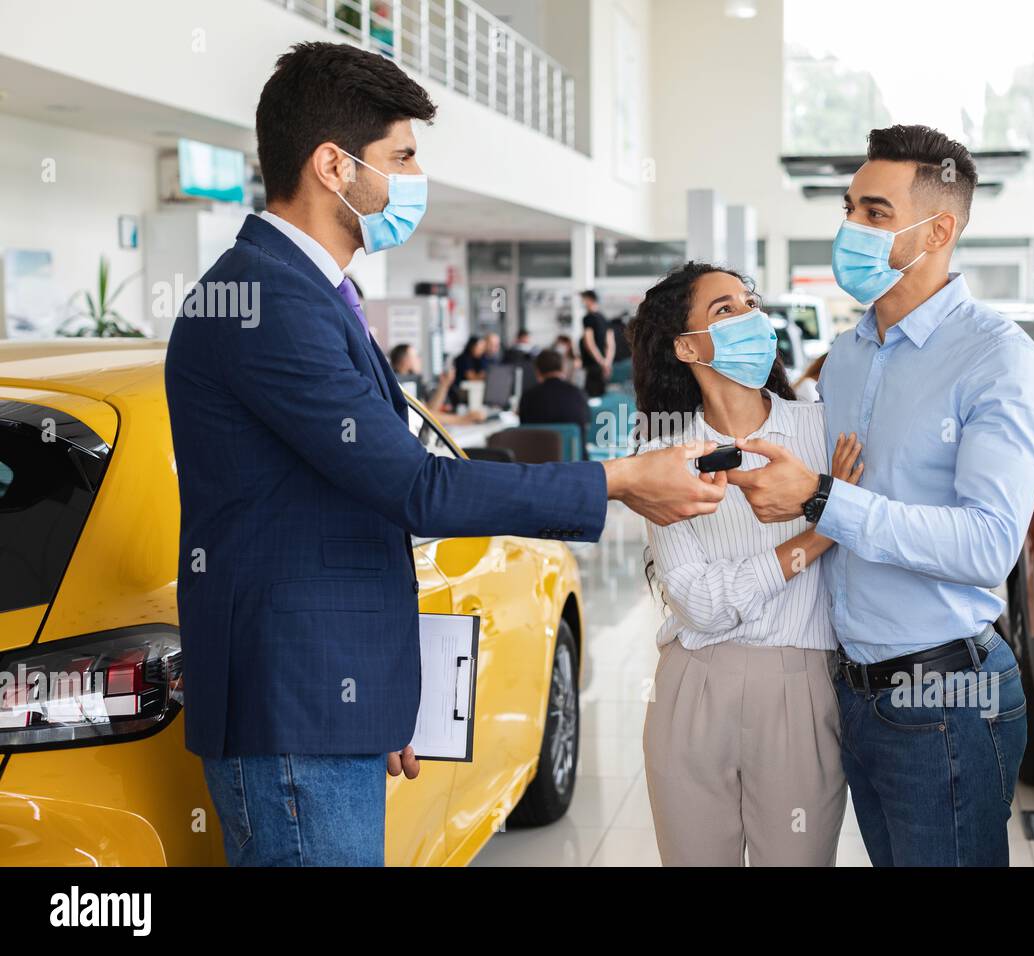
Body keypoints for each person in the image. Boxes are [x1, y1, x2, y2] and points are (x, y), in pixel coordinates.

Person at [164, 41, 725, 868]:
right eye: (402, 157)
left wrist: (374, 700)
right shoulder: (265, 303)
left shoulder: (303, 293)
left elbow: (333, 504)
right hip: (294, 712)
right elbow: (413, 486)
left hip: (323, 704)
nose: (414, 178)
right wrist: (618, 480)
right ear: (332, 165)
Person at [726, 124, 1034, 866]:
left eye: (874, 213)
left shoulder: (998, 359)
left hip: (945, 698)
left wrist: (821, 498)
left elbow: (987, 547)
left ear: (938, 228)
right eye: (848, 208)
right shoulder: (847, 354)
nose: (850, 228)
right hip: (853, 691)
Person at [628, 262, 864, 867]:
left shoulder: (820, 428)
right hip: (691, 689)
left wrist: (828, 515)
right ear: (686, 346)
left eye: (750, 303)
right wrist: (818, 533)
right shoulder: (662, 454)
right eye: (724, 310)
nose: (750, 318)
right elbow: (698, 604)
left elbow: (874, 523)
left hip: (801, 687)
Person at [517, 348, 590, 458]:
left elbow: (525, 434)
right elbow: (585, 429)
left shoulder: (527, 397)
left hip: (538, 466)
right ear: (562, 368)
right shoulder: (579, 395)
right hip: (575, 466)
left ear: (537, 371)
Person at [579, 289, 614, 397]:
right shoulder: (604, 318)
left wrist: (601, 362)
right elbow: (611, 344)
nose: (582, 302)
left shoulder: (588, 318)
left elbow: (589, 344)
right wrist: (607, 363)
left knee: (592, 397)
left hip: (594, 364)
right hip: (604, 365)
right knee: (602, 396)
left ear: (589, 300)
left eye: (583, 299)